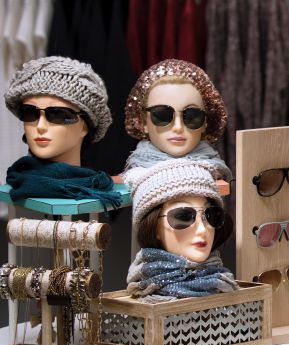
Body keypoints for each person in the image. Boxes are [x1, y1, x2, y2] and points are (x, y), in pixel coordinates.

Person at [3, 56, 121, 209]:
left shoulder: (96, 186)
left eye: (57, 114)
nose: (41, 126)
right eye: (30, 113)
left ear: (85, 126)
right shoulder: (16, 180)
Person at [124, 159, 238, 301]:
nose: (203, 230)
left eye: (211, 215)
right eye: (183, 216)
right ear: (154, 226)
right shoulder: (145, 301)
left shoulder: (226, 286)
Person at [122, 59, 231, 181]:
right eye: (162, 115)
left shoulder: (216, 171)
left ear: (205, 122)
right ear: (143, 122)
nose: (178, 127)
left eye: (191, 116)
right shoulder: (135, 176)